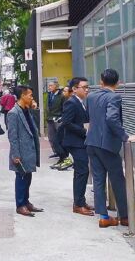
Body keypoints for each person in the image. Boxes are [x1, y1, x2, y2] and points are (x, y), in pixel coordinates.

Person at [85, 69, 135, 228]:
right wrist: (125, 136)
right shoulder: (115, 97)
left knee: (98, 180)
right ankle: (126, 217)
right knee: (118, 180)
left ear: (101, 81)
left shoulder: (90, 96)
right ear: (118, 83)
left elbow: (90, 117)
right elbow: (111, 118)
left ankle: (104, 216)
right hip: (107, 146)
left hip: (91, 142)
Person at [59, 77, 95, 216]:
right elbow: (66, 122)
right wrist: (84, 130)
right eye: (84, 87)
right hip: (75, 142)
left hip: (80, 142)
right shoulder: (71, 102)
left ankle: (81, 200)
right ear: (74, 89)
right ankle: (78, 204)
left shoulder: (81, 102)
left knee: (82, 172)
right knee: (82, 171)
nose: (87, 90)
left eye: (88, 87)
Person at [7, 85, 43, 217]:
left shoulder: (26, 110)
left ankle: (26, 202)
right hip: (21, 152)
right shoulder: (13, 113)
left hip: (30, 150)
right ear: (23, 95)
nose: (32, 98)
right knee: (21, 177)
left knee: (28, 176)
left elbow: (32, 127)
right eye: (30, 95)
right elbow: (12, 136)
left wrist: (34, 108)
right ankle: (20, 204)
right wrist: (15, 154)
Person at [46, 82, 64, 161]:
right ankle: (56, 151)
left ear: (56, 86)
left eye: (51, 85)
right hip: (50, 118)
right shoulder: (49, 95)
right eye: (48, 86)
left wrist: (61, 117)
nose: (49, 87)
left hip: (58, 118)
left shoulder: (61, 95)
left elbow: (64, 107)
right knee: (51, 137)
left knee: (59, 137)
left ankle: (63, 154)